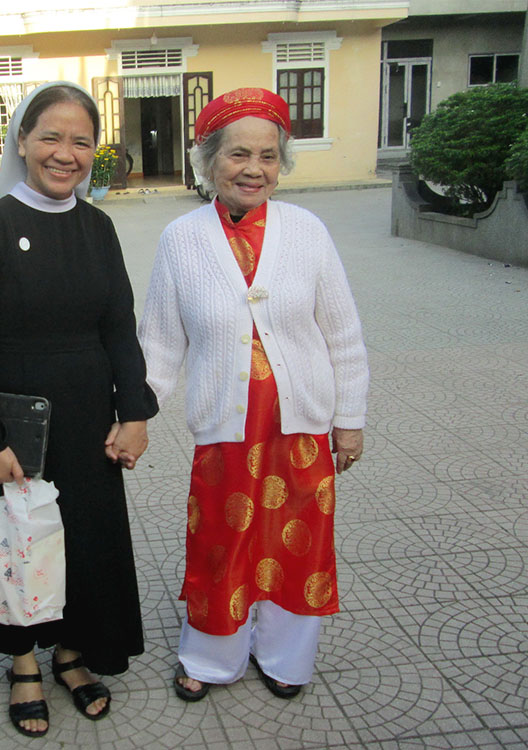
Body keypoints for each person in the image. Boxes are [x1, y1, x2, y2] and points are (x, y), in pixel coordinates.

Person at [137, 88, 369, 702]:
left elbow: (342, 333)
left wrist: (349, 419)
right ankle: (211, 657)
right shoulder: (181, 240)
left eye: (268, 156)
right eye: (238, 154)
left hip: (299, 428)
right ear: (209, 160)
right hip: (226, 428)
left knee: (297, 543)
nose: (254, 169)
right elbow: (159, 343)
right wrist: (134, 414)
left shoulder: (307, 232)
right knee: (221, 541)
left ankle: (285, 658)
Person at [0, 81, 158, 738]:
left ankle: (70, 652)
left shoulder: (98, 227)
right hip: (15, 421)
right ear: (22, 142)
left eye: (81, 141)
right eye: (51, 137)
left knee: (83, 540)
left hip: (88, 415)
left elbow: (120, 327)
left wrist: (136, 412)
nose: (66, 153)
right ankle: (22, 664)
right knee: (16, 542)